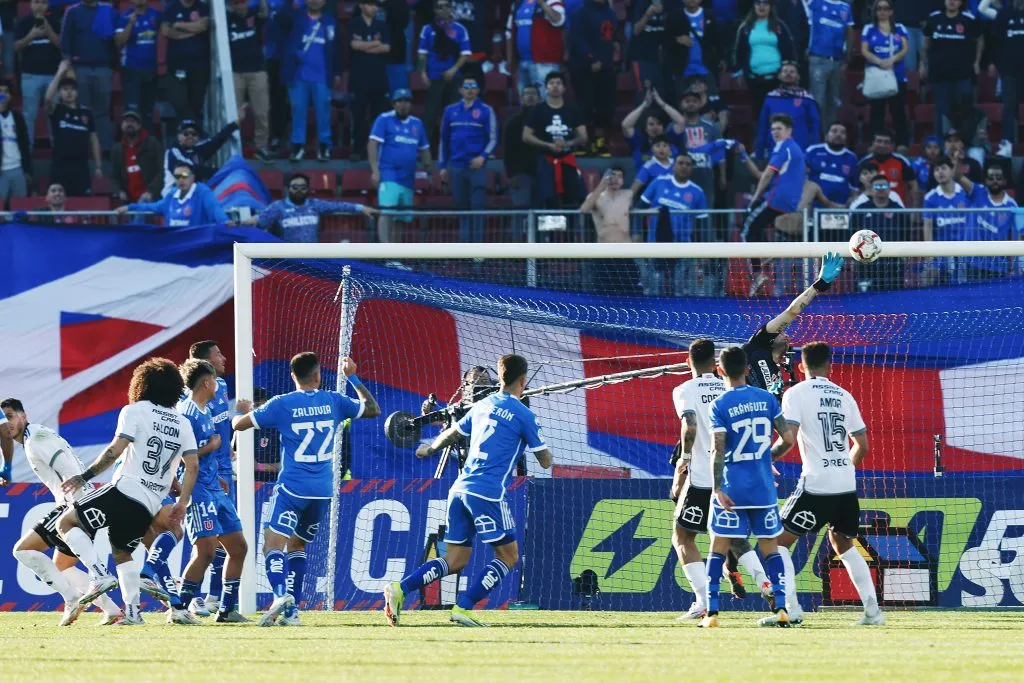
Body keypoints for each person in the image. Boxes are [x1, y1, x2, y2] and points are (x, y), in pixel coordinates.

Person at [384, 354, 552, 627]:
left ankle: (400, 589)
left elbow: (453, 433)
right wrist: (537, 444)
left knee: (455, 558)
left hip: (459, 489)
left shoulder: (482, 404)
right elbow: (545, 462)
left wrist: (430, 448)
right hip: (487, 493)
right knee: (509, 556)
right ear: (523, 380)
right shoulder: (524, 414)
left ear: (500, 377)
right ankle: (464, 607)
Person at [233, 352, 381, 626]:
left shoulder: (282, 404)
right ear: (317, 375)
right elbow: (372, 409)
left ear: (293, 376)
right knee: (298, 545)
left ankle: (280, 596)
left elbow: (239, 426)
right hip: (323, 492)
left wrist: (244, 412)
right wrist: (352, 377)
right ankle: (292, 613)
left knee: (272, 544)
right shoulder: (334, 401)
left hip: (292, 489)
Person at [56, 358, 200, 627]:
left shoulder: (134, 411)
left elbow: (115, 449)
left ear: (142, 384)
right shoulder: (183, 422)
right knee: (122, 551)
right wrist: (182, 501)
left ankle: (99, 575)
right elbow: (192, 465)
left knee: (66, 523)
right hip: (150, 502)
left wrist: (84, 476)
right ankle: (133, 613)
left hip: (126, 489)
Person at [776, 341, 884, 626]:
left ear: (801, 366)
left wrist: (764, 460)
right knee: (844, 542)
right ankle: (873, 613)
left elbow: (789, 438)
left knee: (777, 544)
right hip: (846, 483)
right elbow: (862, 445)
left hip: (817, 483)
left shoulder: (795, 393)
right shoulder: (844, 395)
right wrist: (843, 468)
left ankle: (792, 610)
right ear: (830, 366)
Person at [671, 339, 774, 621]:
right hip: (736, 476)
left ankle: (703, 600)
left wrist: (685, 460)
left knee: (682, 536)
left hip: (703, 477)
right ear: (716, 364)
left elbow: (689, 424)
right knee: (735, 537)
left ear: (687, 361)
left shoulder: (684, 390)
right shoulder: (728, 387)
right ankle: (765, 583)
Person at [4, 398, 123, 626]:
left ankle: (72, 597)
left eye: (10, 416)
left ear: (23, 416)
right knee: (63, 566)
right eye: (3, 420)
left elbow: (62, 461)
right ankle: (113, 610)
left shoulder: (35, 439)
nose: (7, 423)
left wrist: (75, 498)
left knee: (22, 550)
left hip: (73, 504)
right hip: (81, 500)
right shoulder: (35, 436)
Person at [700, 345, 795, 628]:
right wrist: (767, 457)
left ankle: (713, 613)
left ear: (720, 370)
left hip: (732, 487)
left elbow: (718, 450)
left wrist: (717, 487)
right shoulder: (767, 399)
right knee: (771, 548)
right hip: (763, 488)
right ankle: (781, 609)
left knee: (718, 546)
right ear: (747, 370)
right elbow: (788, 438)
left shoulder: (718, 405)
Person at [173, 359, 249, 624]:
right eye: (215, 380)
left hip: (214, 486)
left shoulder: (203, 410)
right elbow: (181, 457)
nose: (218, 384)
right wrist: (212, 446)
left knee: (238, 547)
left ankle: (226, 611)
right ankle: (179, 608)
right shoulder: (186, 413)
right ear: (207, 382)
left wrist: (216, 472)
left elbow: (203, 454)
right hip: (198, 491)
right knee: (205, 552)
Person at [187, 340, 240, 616]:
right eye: (218, 353)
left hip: (222, 473)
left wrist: (227, 454)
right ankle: (190, 598)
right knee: (204, 539)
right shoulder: (190, 402)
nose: (224, 357)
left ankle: (216, 597)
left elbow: (222, 429)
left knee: (226, 540)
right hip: (203, 476)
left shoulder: (222, 389)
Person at [743, 114, 806, 295]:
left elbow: (767, 174)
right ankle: (766, 258)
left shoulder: (784, 147)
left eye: (779, 128)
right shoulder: (795, 148)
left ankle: (757, 274)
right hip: (790, 202)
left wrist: (755, 198)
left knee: (747, 229)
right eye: (772, 129)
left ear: (789, 131)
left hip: (777, 198)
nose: (775, 132)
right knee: (760, 228)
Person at [280, 0, 344, 162]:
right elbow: (278, 25)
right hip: (298, 74)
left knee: (324, 113)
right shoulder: (294, 18)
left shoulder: (331, 21)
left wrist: (337, 72)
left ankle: (324, 147)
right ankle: (297, 147)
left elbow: (337, 49)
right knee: (298, 112)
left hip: (322, 75)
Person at [638, 152, 709, 296]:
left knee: (680, 290)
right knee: (654, 290)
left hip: (682, 248)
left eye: (688, 164)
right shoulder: (658, 182)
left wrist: (704, 250)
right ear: (673, 165)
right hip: (655, 246)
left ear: (692, 168)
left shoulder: (698, 192)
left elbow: (703, 224)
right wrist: (637, 234)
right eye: (680, 163)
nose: (684, 167)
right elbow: (639, 208)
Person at [439, 74, 498, 243]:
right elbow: (443, 140)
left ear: (478, 91)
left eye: (473, 87)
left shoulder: (487, 110)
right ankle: (464, 250)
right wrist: (443, 166)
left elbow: (493, 138)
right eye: (466, 87)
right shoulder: (450, 111)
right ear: (460, 90)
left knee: (478, 209)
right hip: (456, 166)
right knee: (462, 209)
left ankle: (477, 253)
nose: (470, 90)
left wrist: (483, 157)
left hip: (477, 167)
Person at [369, 89, 433, 243]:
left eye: (406, 101)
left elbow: (424, 149)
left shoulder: (417, 124)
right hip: (389, 174)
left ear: (411, 104)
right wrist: (375, 171)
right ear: (394, 104)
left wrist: (430, 172)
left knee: (400, 219)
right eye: (399, 101)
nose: (403, 105)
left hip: (408, 178)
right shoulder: (384, 119)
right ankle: (385, 254)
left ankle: (395, 258)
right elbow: (372, 145)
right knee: (387, 212)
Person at [523, 71, 587, 210]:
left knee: (573, 198)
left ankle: (571, 231)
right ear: (546, 88)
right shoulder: (538, 110)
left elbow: (583, 136)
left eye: (558, 83)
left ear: (564, 88)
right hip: (546, 160)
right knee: (548, 199)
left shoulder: (573, 109)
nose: (555, 86)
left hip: (567, 159)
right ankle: (550, 232)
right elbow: (526, 135)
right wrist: (548, 145)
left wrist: (568, 143)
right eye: (552, 83)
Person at [249, 172, 377, 242]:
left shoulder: (315, 205)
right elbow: (260, 222)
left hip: (313, 258)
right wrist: (240, 221)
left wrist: (362, 208)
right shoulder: (278, 207)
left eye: (303, 187)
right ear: (288, 189)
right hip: (287, 259)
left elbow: (338, 206)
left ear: (308, 189)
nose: (299, 190)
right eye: (295, 187)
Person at [921, 0, 982, 139]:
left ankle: (964, 142)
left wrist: (977, 61)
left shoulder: (969, 19)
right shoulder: (934, 18)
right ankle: (941, 144)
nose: (952, 1)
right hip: (938, 73)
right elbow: (926, 42)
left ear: (961, 2)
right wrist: (922, 64)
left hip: (963, 74)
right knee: (942, 110)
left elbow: (979, 39)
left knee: (964, 110)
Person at [59, 0, 115, 150]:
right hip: (80, 68)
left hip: (103, 67)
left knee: (103, 111)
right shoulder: (72, 12)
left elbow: (115, 40)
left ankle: (105, 149)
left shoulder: (107, 10)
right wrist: (69, 66)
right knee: (82, 110)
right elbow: (65, 42)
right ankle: (83, 148)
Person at [955, 156, 1021, 280]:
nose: (994, 180)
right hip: (972, 263)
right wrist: (957, 160)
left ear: (1004, 181)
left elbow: (1015, 239)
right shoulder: (977, 192)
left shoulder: (1011, 205)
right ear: (985, 181)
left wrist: (1013, 266)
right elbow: (958, 177)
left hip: (998, 266)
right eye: (991, 178)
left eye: (998, 178)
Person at [419, 1, 472, 149]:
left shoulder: (460, 29)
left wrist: (454, 69)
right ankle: (425, 150)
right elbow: (422, 54)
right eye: (439, 7)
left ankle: (454, 148)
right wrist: (423, 73)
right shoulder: (427, 29)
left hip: (454, 77)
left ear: (451, 9)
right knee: (430, 115)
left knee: (454, 115)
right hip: (434, 78)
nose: (444, 9)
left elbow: (465, 54)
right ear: (435, 10)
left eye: (447, 6)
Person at [44, 61, 102, 196]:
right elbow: (47, 99)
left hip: (81, 166)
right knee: (57, 199)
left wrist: (98, 165)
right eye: (65, 89)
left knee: (82, 203)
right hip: (60, 165)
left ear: (77, 92)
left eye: (72, 89)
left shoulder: (86, 113)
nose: (69, 92)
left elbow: (93, 139)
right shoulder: (57, 110)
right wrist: (60, 72)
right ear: (60, 93)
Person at [731, 0, 797, 118]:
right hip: (754, 79)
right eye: (758, 3)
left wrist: (788, 70)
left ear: (771, 7)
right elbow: (739, 51)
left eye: (765, 3)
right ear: (753, 6)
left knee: (778, 115)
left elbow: (789, 49)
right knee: (758, 114)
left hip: (776, 79)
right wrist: (739, 71)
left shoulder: (779, 26)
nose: (761, 6)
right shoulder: (745, 27)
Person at [568, 0, 617, 156]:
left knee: (605, 107)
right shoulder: (580, 12)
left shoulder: (610, 12)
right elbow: (576, 39)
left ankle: (599, 143)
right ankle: (581, 143)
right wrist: (591, 58)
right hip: (583, 68)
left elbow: (610, 38)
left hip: (606, 66)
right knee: (585, 106)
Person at [118, 163, 230, 227]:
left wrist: (225, 221)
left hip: (196, 243)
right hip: (173, 242)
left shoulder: (202, 192)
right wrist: (129, 207)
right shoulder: (172, 195)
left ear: (193, 177)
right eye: (177, 176)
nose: (181, 179)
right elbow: (153, 207)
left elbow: (215, 209)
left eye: (185, 175)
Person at [860, 1, 910, 146]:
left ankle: (902, 144)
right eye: (879, 9)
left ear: (891, 11)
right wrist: (879, 62)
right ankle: (876, 143)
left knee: (898, 112)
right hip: (877, 75)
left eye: (886, 8)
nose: (882, 11)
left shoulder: (900, 28)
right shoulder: (869, 28)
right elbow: (864, 50)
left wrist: (892, 60)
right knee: (877, 113)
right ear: (875, 11)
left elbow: (905, 48)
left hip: (897, 75)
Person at [979, 0, 1024, 156]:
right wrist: (993, 62)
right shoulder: (1004, 13)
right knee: (1009, 108)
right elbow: (995, 41)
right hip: (1010, 70)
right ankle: (1007, 144)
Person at [228, 0, 271, 161]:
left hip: (257, 69)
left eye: (243, 2)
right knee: (234, 114)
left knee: (262, 111)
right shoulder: (227, 18)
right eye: (236, 3)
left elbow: (265, 13)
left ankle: (261, 147)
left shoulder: (255, 15)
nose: (240, 5)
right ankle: (233, 148)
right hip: (235, 71)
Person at [349, 0, 392, 162]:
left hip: (378, 78)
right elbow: (353, 45)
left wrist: (364, 46)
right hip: (358, 78)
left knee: (379, 117)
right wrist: (374, 44)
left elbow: (387, 48)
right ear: (361, 5)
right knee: (358, 116)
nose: (373, 8)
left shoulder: (382, 24)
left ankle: (377, 151)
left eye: (375, 5)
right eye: (369, 4)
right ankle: (358, 149)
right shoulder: (354, 23)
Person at [14, 0, 62, 147]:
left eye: (42, 2)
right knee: (29, 115)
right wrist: (31, 35)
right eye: (36, 2)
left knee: (54, 115)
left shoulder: (55, 20)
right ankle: (27, 152)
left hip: (52, 76)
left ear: (47, 4)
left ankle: (58, 152)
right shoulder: (24, 22)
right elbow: (16, 47)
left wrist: (48, 29)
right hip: (30, 75)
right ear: (31, 5)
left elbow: (61, 44)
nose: (39, 5)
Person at [804, 0, 855, 130]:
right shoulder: (815, 3)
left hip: (837, 61)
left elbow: (849, 32)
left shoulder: (846, 7)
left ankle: (829, 136)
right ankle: (815, 136)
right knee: (817, 101)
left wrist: (847, 59)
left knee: (833, 102)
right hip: (818, 58)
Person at [161, 0, 211, 131]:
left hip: (200, 65)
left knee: (196, 103)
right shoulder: (171, 8)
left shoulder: (203, 7)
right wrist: (193, 29)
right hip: (176, 65)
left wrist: (178, 25)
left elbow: (203, 26)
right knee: (179, 101)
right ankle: (194, 131)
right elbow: (166, 32)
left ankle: (191, 135)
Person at [754, 62, 820, 160]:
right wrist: (759, 153)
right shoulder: (771, 97)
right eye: (785, 71)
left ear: (798, 76)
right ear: (779, 76)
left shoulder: (807, 99)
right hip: (775, 149)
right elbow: (763, 126)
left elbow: (815, 126)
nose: (788, 74)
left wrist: (813, 151)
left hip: (800, 149)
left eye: (792, 72)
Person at [850, 174, 905, 288]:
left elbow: (906, 234)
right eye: (877, 187)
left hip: (892, 261)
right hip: (866, 261)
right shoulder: (861, 209)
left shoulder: (898, 210)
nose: (881, 190)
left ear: (889, 189)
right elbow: (852, 233)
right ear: (871, 190)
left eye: (884, 187)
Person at [162, 118, 240, 195]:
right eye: (186, 133)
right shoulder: (172, 152)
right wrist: (222, 171)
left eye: (194, 134)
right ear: (178, 136)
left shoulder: (196, 151)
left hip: (192, 196)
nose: (190, 136)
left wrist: (235, 124)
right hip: (173, 198)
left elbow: (215, 141)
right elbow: (189, 172)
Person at [506, 0, 567, 99]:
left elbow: (559, 20)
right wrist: (510, 59)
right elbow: (509, 32)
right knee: (525, 103)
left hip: (545, 62)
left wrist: (542, 4)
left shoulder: (552, 1)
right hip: (522, 63)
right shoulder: (518, 3)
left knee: (546, 100)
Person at [116, 0, 161, 133]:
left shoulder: (156, 15)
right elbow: (119, 42)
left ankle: (148, 148)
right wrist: (131, 23)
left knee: (148, 112)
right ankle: (130, 148)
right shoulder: (124, 16)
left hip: (151, 70)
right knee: (132, 112)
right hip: (132, 70)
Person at [503, 83, 541, 216]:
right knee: (519, 212)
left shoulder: (546, 120)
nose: (530, 97)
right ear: (521, 98)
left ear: (539, 98)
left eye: (533, 94)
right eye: (527, 94)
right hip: (521, 175)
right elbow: (507, 151)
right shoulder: (513, 122)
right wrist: (511, 174)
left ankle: (546, 237)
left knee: (544, 211)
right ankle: (517, 237)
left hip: (543, 173)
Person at [110, 110, 163, 203]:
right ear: (122, 126)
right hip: (129, 201)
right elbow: (114, 176)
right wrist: (119, 191)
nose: (129, 124)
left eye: (133, 122)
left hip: (150, 199)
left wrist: (151, 191)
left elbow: (162, 170)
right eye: (126, 121)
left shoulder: (152, 144)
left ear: (139, 126)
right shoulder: (117, 149)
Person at [621, 90, 678, 170]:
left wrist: (661, 103)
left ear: (663, 127)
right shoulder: (638, 141)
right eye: (651, 124)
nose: (655, 127)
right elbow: (625, 125)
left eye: (659, 124)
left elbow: (680, 122)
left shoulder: (670, 140)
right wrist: (644, 105)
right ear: (645, 128)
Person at [805, 122, 858, 206]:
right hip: (814, 205)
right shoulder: (812, 151)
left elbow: (854, 187)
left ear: (846, 137)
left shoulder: (852, 157)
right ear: (826, 135)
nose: (838, 134)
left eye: (842, 132)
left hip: (840, 207)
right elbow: (802, 176)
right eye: (834, 131)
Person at [677, 0, 721, 101]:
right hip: (684, 70)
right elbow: (667, 41)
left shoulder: (710, 15)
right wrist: (676, 39)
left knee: (712, 103)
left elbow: (718, 40)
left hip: (706, 68)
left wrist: (721, 58)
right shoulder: (676, 16)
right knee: (685, 105)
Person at [858, 131, 916, 206]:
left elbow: (913, 185)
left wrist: (915, 208)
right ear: (873, 143)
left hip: (897, 210)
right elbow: (858, 187)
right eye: (879, 141)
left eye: (886, 142)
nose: (882, 145)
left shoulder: (902, 161)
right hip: (870, 208)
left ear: (892, 145)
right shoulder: (864, 162)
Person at [628, 0, 671, 99]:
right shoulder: (642, 3)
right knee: (643, 96)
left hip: (659, 59)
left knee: (660, 97)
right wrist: (648, 14)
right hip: (641, 57)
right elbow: (635, 31)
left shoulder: (668, 4)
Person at [922, 155, 970, 246]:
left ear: (952, 171)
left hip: (965, 249)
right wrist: (929, 255)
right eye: (936, 170)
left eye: (944, 168)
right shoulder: (929, 198)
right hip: (942, 251)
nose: (940, 172)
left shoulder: (965, 192)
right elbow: (928, 226)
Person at [0, 80, 32, 207]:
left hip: (17, 168)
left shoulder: (17, 117)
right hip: (1, 171)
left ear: (10, 96)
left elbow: (25, 144)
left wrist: (27, 170)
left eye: (6, 92)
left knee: (20, 207)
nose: (2, 95)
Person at [629, 134, 674, 201]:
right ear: (652, 149)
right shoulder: (648, 166)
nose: (661, 149)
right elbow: (635, 186)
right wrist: (627, 201)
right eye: (657, 146)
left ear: (670, 149)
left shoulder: (676, 164)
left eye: (665, 146)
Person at [382, 0, 412, 92]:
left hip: (395, 54)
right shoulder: (366, 5)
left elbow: (404, 22)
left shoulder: (400, 4)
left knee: (397, 92)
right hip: (372, 59)